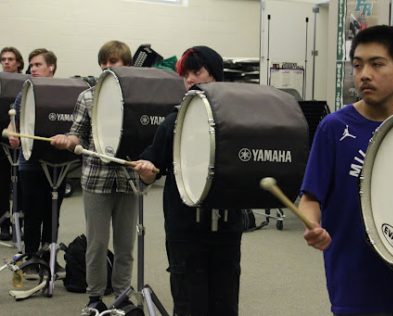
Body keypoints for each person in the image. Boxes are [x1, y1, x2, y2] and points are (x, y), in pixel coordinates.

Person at [298, 25, 393, 316]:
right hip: (352, 279)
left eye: (376, 64)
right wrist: (312, 226)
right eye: (357, 65)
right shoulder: (334, 128)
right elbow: (310, 198)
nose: (364, 74)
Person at [134, 46, 244, 316]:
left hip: (226, 228)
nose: (191, 79)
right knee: (189, 303)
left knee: (225, 302)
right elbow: (150, 168)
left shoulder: (238, 122)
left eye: (198, 72)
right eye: (186, 75)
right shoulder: (173, 123)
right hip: (184, 229)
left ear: (215, 76)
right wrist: (145, 170)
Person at [50, 40, 137, 314]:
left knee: (125, 245)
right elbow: (78, 133)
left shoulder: (136, 99)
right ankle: (95, 297)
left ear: (126, 66)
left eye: (114, 62)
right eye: (105, 62)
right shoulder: (88, 97)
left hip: (128, 180)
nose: (107, 67)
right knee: (97, 244)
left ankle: (123, 294)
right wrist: (68, 139)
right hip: (96, 180)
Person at [8, 49, 64, 262]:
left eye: (38, 64)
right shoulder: (25, 93)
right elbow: (13, 123)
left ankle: (49, 257)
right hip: (29, 163)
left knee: (52, 214)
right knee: (32, 214)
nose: (33, 69)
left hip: (57, 165)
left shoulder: (62, 91)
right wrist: (13, 133)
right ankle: (31, 258)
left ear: (51, 67)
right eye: (31, 65)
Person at [0, 47, 25, 241]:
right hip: (2, 141)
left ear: (18, 62)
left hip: (23, 142)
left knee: (23, 184)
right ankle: (4, 220)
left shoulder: (27, 83)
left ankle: (21, 219)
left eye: (10, 59)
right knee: (2, 182)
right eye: (3, 59)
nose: (7, 62)